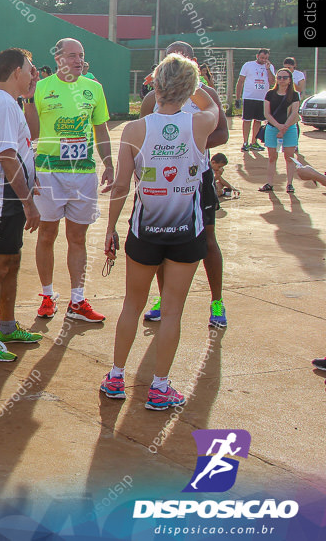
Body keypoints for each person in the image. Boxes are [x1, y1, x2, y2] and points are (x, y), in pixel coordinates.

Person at [100, 54, 218, 410]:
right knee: (171, 312)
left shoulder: (135, 130)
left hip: (145, 231)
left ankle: (116, 377)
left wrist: (109, 228)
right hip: (186, 233)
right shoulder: (200, 123)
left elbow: (121, 185)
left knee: (132, 305)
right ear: (188, 87)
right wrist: (192, 87)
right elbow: (212, 103)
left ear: (155, 85)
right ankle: (160, 387)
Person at [140, 40, 230, 328]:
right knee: (162, 239)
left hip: (197, 176)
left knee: (207, 240)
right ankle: (164, 298)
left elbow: (223, 134)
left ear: (193, 61)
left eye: (181, 58)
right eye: (169, 59)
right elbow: (143, 139)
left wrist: (193, 142)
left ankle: (217, 302)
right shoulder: (153, 98)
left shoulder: (206, 95)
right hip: (163, 181)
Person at [26, 37, 113, 323]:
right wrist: (28, 98)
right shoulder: (40, 88)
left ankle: (78, 301)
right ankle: (48, 295)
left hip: (83, 174)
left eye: (81, 55)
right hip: (48, 172)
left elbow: (101, 130)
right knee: (47, 235)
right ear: (59, 57)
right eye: (72, 55)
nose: (77, 60)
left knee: (77, 237)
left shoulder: (94, 88)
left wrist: (109, 164)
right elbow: (31, 133)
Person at [0, 48, 43, 362]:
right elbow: (6, 157)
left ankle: (8, 327)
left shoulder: (5, 101)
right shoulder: (1, 103)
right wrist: (28, 201)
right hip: (4, 196)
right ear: (16, 70)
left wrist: (31, 179)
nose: (32, 75)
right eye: (29, 70)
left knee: (11, 261)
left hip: (8, 194)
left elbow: (27, 141)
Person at [259, 67, 300, 193]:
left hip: (290, 128)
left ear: (289, 80)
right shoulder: (270, 94)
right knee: (272, 157)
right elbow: (267, 113)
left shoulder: (294, 95)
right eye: (279, 77)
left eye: (285, 77)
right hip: (272, 128)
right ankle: (270, 183)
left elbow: (294, 113)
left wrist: (284, 128)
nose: (282, 80)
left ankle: (290, 184)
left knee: (289, 157)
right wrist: (278, 126)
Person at [235, 48, 276, 152]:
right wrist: (238, 98)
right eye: (262, 57)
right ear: (257, 56)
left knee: (258, 120)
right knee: (247, 120)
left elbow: (272, 82)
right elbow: (240, 81)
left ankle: (254, 142)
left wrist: (267, 69)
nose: (263, 60)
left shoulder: (270, 67)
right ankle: (245, 142)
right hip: (249, 97)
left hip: (262, 98)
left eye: (266, 58)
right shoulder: (248, 65)